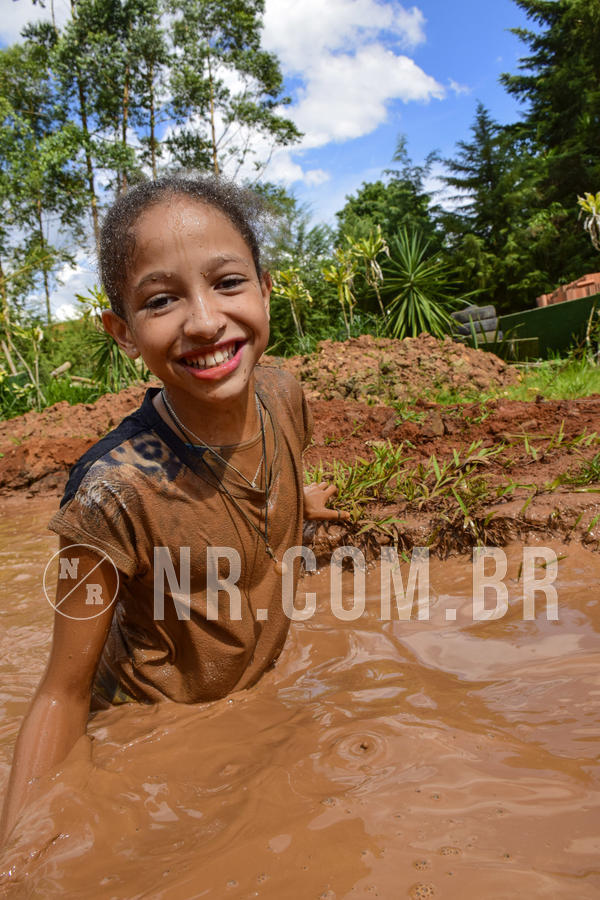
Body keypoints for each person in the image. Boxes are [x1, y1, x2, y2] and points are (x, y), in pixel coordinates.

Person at [0, 175, 348, 845]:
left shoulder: (283, 396)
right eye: (161, 300)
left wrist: (297, 500)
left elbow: (258, 485)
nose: (205, 321)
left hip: (260, 700)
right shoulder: (113, 493)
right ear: (124, 333)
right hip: (154, 736)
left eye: (228, 283)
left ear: (265, 289)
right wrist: (20, 858)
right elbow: (61, 694)